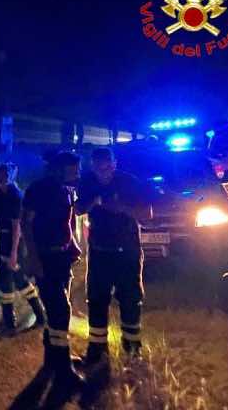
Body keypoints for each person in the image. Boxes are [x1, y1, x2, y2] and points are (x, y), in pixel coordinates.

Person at [75, 147, 151, 363]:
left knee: (130, 299)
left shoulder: (129, 182)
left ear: (114, 164)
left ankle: (133, 349)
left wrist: (122, 208)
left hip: (127, 251)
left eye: (107, 167)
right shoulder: (87, 182)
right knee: (97, 300)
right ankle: (97, 351)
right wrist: (94, 202)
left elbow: (147, 213)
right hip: (99, 252)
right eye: (99, 168)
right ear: (93, 167)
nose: (103, 172)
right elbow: (79, 209)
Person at [22, 152, 85, 385]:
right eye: (74, 169)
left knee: (57, 309)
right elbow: (26, 224)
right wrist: (33, 259)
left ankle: (53, 358)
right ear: (60, 169)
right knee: (60, 310)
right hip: (45, 258)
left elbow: (68, 222)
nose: (77, 173)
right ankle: (63, 369)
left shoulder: (67, 190)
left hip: (62, 258)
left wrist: (73, 247)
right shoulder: (38, 190)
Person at [0, 163, 47, 334]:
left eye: (5, 174)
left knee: (15, 281)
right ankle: (25, 320)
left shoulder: (15, 196)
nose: (2, 177)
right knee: (12, 282)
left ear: (12, 175)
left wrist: (13, 254)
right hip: (2, 239)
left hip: (14, 243)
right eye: (0, 174)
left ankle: (21, 321)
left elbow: (17, 227)